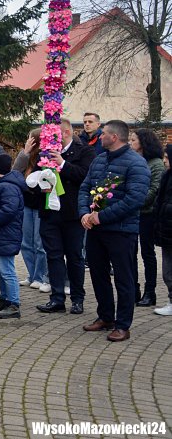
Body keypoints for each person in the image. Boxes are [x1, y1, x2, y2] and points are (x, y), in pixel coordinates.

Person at [79, 120, 150, 342]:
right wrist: (84, 213)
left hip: (121, 231)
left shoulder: (136, 163)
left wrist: (101, 216)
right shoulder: (99, 160)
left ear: (115, 137)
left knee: (123, 278)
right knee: (98, 274)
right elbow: (85, 187)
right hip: (95, 230)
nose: (100, 137)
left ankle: (123, 325)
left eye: (104, 134)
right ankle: (106, 316)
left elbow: (134, 199)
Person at [35, 119, 95, 315]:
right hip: (49, 214)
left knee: (75, 257)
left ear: (66, 133)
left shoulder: (84, 151)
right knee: (53, 256)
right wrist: (40, 185)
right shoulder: (45, 153)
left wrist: (62, 163)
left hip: (72, 215)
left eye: (53, 134)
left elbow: (84, 176)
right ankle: (57, 298)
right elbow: (34, 177)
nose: (49, 139)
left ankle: (77, 299)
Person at [0, 153, 26, 319]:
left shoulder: (8, 187)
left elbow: (8, 210)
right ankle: (5, 297)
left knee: (7, 270)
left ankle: (14, 303)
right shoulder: (0, 185)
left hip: (6, 235)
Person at [130, 128, 165, 307]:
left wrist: (135, 202)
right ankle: (133, 289)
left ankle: (150, 292)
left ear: (143, 142)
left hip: (148, 214)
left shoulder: (156, 164)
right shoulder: (134, 160)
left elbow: (154, 189)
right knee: (130, 252)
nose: (130, 143)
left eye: (133, 140)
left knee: (147, 253)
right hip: (133, 213)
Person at [13, 129, 49, 292]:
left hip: (40, 204)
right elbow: (15, 172)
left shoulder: (45, 157)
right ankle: (32, 274)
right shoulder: (26, 158)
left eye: (30, 139)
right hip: (26, 204)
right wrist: (25, 153)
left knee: (39, 243)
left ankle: (40, 276)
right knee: (26, 243)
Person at [152, 144, 172, 316]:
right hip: (166, 230)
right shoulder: (167, 176)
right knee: (167, 270)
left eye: (167, 157)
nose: (164, 161)